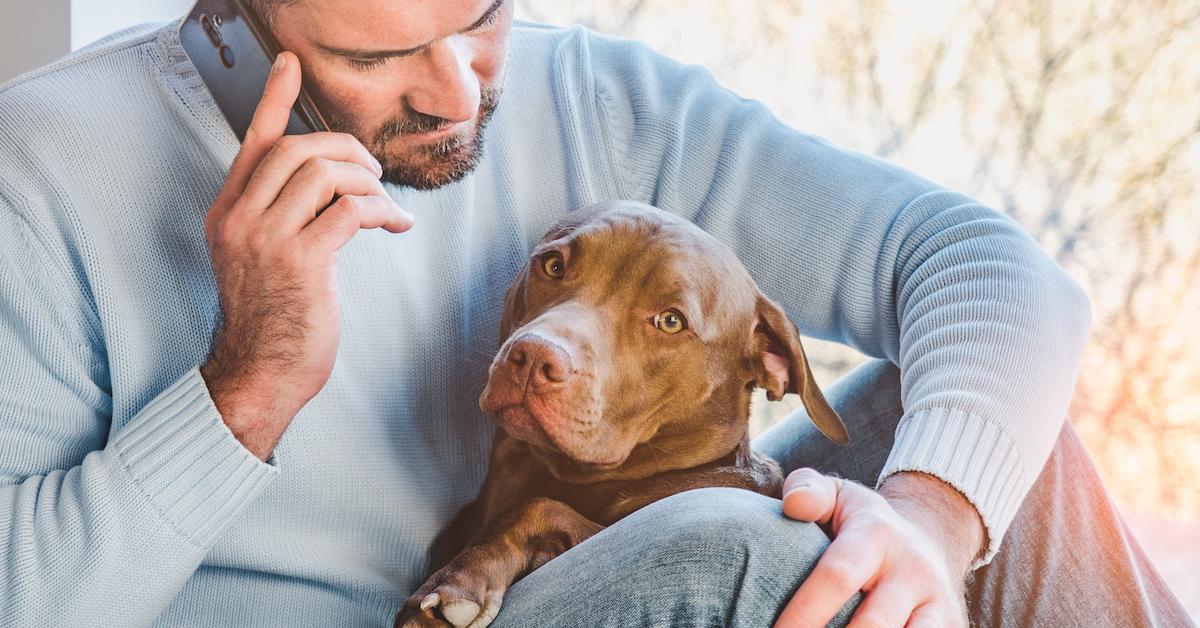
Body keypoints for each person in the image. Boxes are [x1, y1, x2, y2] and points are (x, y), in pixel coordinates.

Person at [0, 1, 1189, 626]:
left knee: (992, 459)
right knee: (753, 552)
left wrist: (930, 523)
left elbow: (992, 272)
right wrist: (240, 392)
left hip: (562, 569)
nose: (459, 91)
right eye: (385, 54)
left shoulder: (591, 99)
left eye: (481, 18)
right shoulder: (46, 170)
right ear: (238, 16)